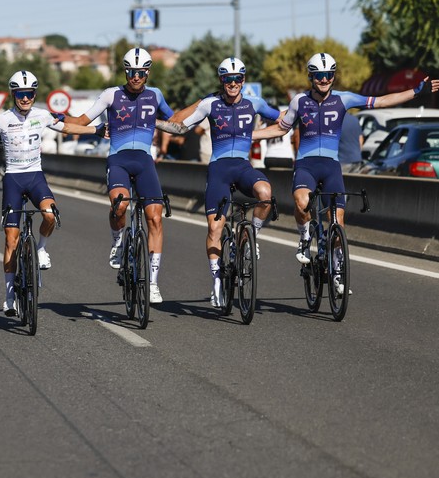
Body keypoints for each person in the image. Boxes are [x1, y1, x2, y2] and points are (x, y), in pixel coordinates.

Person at [259, 52, 439, 294]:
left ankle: (336, 269)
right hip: (306, 165)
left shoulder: (345, 99)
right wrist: (247, 136)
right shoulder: (299, 101)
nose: (324, 80)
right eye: (320, 75)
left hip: (332, 166)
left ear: (334, 75)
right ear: (311, 77)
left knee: (338, 222)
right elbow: (280, 129)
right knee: (302, 203)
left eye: (329, 75)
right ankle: (303, 239)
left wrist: (416, 92)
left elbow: (382, 101)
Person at [0, 70, 104, 316]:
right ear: (14, 94)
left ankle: (41, 248)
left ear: (35, 95)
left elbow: (66, 128)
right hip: (13, 179)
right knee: (11, 239)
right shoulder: (3, 119)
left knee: (50, 215)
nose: (25, 98)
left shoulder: (43, 115)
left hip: (35, 177)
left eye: (30, 94)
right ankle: (9, 295)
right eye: (21, 94)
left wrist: (97, 130)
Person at [59, 48, 183, 304]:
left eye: (140, 72)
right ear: (125, 71)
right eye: (130, 72)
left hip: (145, 162)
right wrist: (56, 117)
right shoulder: (111, 95)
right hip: (119, 160)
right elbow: (82, 120)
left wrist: (156, 122)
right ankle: (117, 242)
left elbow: (176, 125)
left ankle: (153, 282)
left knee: (156, 217)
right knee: (120, 205)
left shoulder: (155, 95)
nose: (135, 77)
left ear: (147, 72)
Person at [169, 57, 284, 306]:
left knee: (265, 193)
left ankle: (252, 234)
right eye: (227, 79)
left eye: (237, 79)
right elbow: (179, 127)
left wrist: (256, 135)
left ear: (243, 80)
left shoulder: (255, 103)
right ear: (221, 81)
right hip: (219, 169)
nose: (233, 83)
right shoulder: (210, 104)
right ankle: (217, 282)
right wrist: (151, 124)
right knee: (215, 229)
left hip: (243, 167)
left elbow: (283, 121)